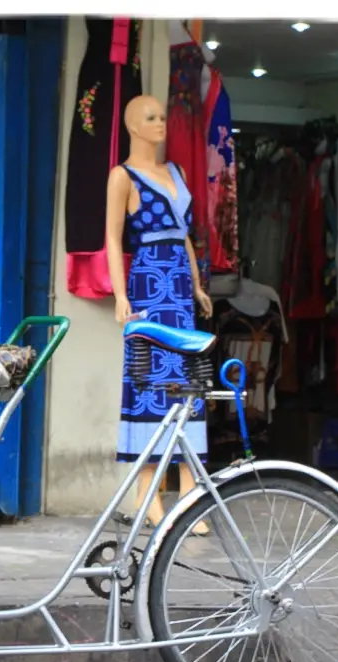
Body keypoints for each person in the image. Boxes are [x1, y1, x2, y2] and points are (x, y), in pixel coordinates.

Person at [105, 94, 213, 531]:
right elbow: (113, 239)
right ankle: (146, 494)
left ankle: (189, 489)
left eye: (163, 116)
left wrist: (198, 284)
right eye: (151, 117)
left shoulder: (177, 173)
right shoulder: (122, 177)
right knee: (149, 380)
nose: (161, 123)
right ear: (132, 125)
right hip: (149, 284)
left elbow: (185, 234)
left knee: (188, 381)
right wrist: (118, 295)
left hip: (182, 290)